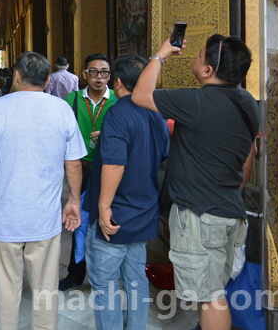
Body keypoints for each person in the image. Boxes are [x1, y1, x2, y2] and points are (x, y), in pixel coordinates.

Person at [131, 35, 260, 330]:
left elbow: (140, 95)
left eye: (201, 54)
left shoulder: (198, 101)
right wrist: (229, 190)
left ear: (207, 71)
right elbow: (248, 155)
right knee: (214, 292)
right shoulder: (248, 103)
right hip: (230, 211)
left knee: (211, 298)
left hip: (202, 219)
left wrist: (160, 55)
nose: (196, 57)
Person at [0, 51, 86, 330]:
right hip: (44, 220)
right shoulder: (62, 110)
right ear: (47, 81)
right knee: (45, 291)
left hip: (5, 219)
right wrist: (74, 201)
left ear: (16, 76)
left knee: (6, 291)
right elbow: (75, 164)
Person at [84, 54, 169, 329]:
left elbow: (115, 164)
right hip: (143, 210)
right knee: (136, 281)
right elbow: (161, 153)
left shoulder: (118, 113)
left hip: (116, 215)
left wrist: (104, 206)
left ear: (117, 81)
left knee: (106, 284)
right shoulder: (155, 114)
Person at [59, 53, 115, 291]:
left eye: (104, 72)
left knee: (106, 219)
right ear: (84, 74)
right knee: (77, 219)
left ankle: (104, 275)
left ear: (110, 76)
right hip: (80, 168)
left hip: (107, 169)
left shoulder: (117, 100)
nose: (99, 77)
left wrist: (106, 136)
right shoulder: (73, 99)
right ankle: (75, 273)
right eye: (93, 72)